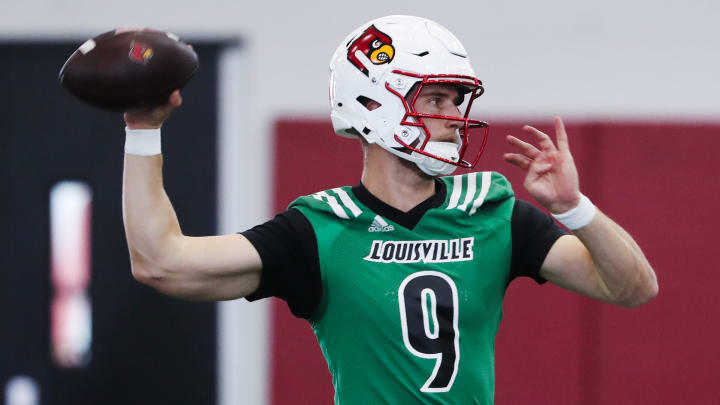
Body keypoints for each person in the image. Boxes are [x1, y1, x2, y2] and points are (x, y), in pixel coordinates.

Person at [122, 15, 658, 404]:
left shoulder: (492, 211)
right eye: (437, 100)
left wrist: (573, 207)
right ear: (376, 103)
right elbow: (161, 261)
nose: (454, 118)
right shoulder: (320, 229)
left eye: (457, 101)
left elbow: (633, 288)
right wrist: (143, 131)